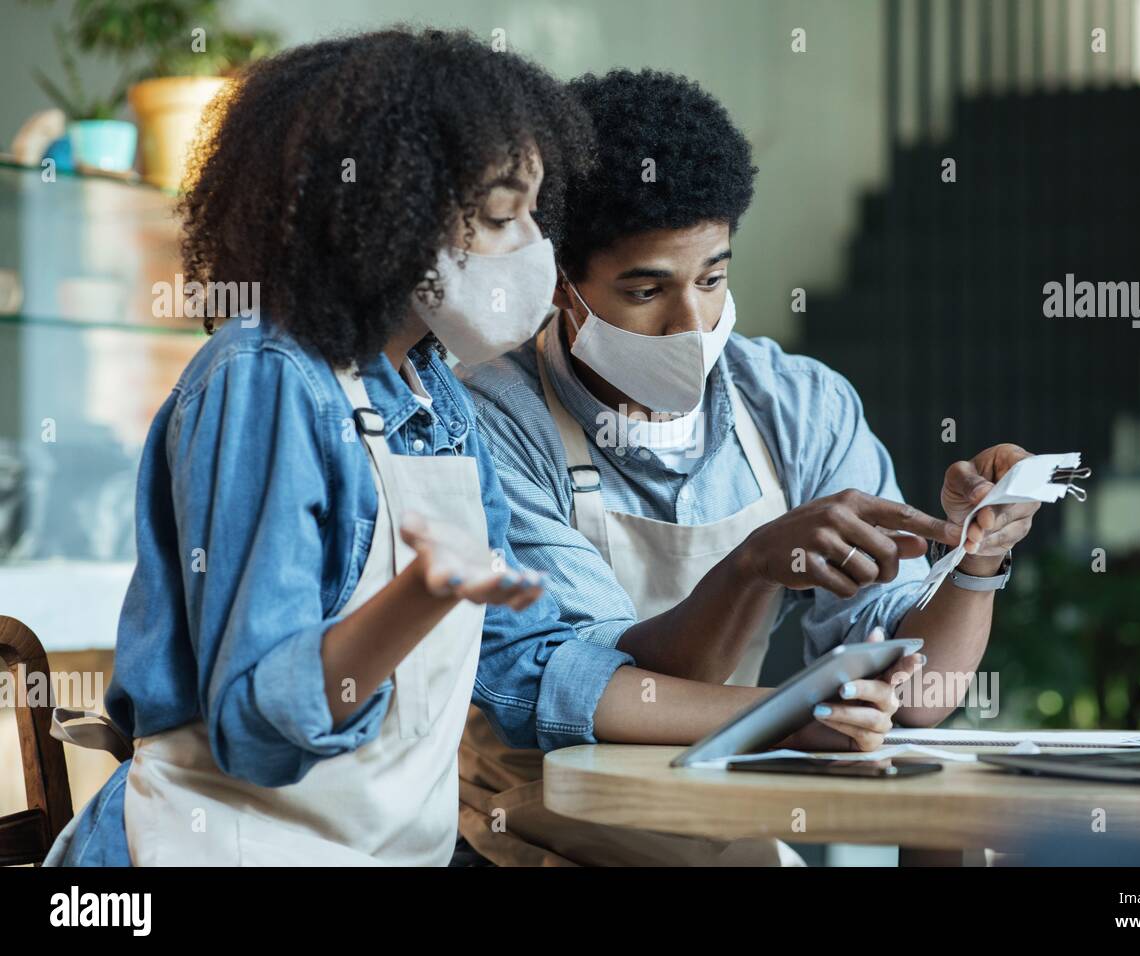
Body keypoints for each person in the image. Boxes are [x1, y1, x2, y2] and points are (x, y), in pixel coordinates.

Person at [44, 28, 598, 866]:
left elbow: (523, 664)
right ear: (384, 213)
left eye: (533, 212)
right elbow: (256, 732)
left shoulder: (433, 391)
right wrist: (422, 593)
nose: (531, 249)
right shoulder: (265, 378)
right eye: (497, 216)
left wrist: (763, 706)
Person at [457, 69, 1040, 866]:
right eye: (645, 289)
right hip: (534, 806)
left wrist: (978, 559)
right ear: (562, 285)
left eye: (712, 277)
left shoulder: (798, 405)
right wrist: (752, 578)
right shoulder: (493, 416)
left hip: (724, 790)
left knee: (958, 842)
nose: (690, 323)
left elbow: (921, 699)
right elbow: (596, 690)